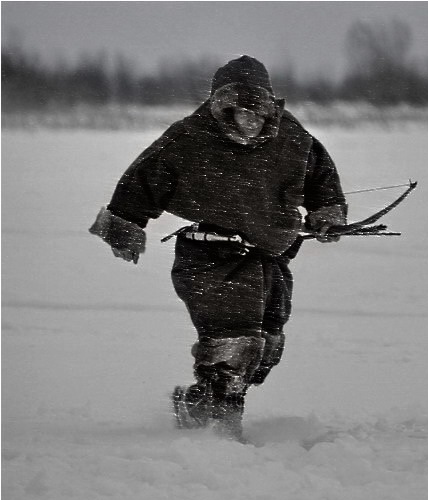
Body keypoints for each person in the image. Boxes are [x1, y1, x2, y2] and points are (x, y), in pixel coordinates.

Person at [89, 55, 347, 441]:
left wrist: (327, 213)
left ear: (269, 108)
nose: (248, 121)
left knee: (265, 346)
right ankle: (220, 430)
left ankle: (198, 403)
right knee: (232, 344)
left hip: (268, 256)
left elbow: (321, 180)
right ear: (220, 106)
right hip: (207, 254)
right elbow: (142, 180)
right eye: (239, 112)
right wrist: (125, 225)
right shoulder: (188, 138)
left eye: (257, 113)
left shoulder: (293, 140)